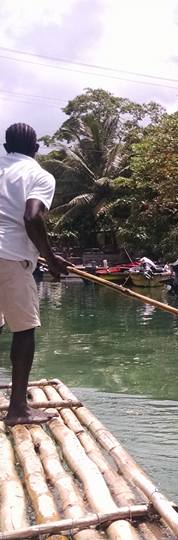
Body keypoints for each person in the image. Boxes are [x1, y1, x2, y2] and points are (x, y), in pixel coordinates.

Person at [0, 123, 68, 425]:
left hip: (9, 253)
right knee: (23, 330)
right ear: (36, 149)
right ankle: (18, 409)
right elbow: (31, 217)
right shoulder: (39, 175)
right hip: (10, 257)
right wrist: (51, 259)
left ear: (5, 148)